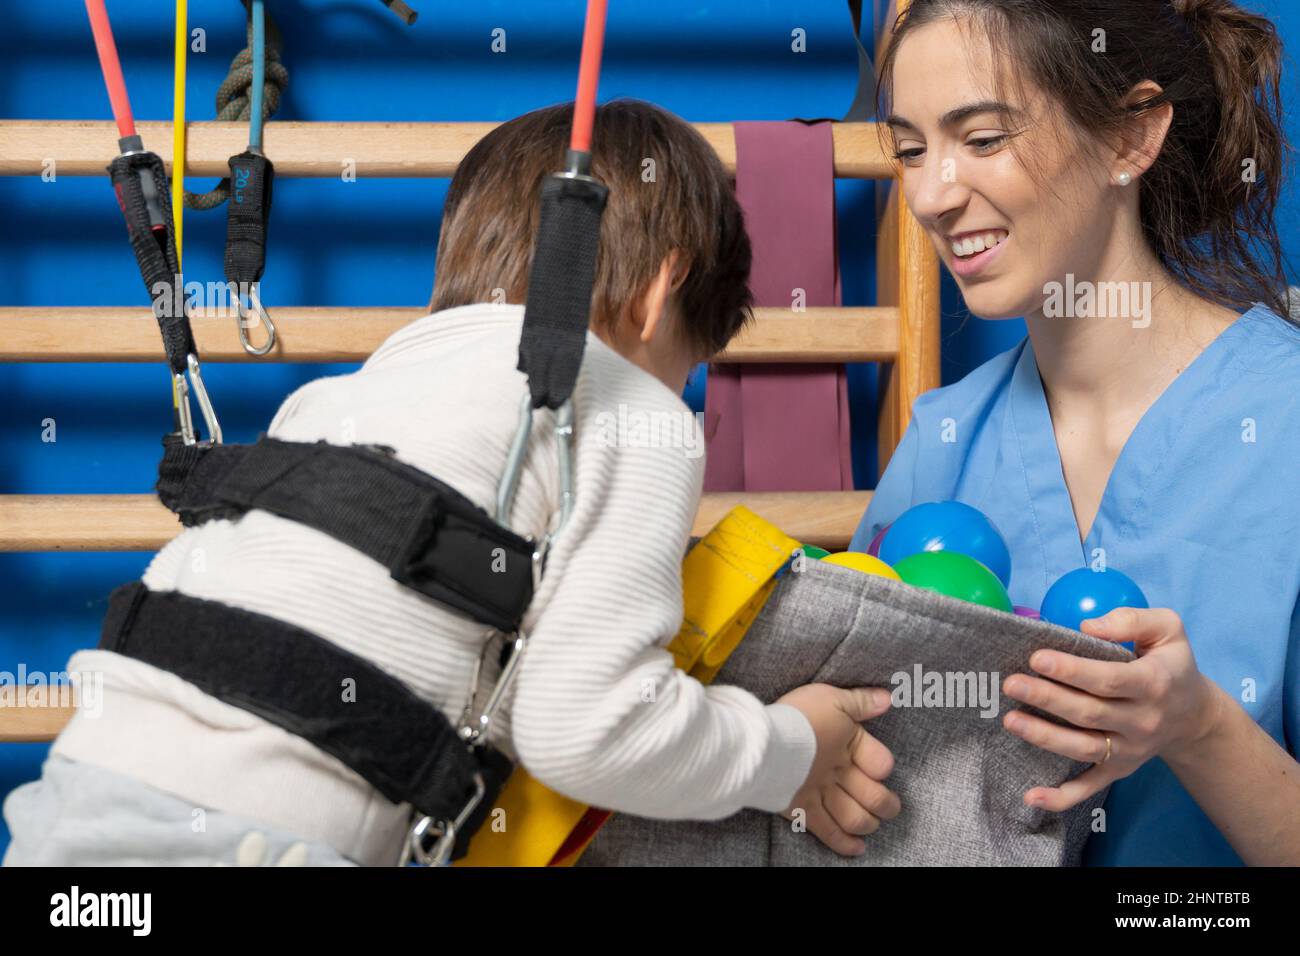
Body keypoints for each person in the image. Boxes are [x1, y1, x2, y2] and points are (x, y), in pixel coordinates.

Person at [3, 99, 899, 866]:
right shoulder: (632, 406)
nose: (678, 395)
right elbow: (588, 729)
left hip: (71, 806)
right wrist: (791, 751)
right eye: (686, 370)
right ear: (660, 296)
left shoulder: (328, 401)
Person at [854, 0, 1300, 865]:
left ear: (1130, 138)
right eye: (910, 150)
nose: (931, 194)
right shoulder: (939, 446)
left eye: (982, 139)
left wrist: (1200, 728)